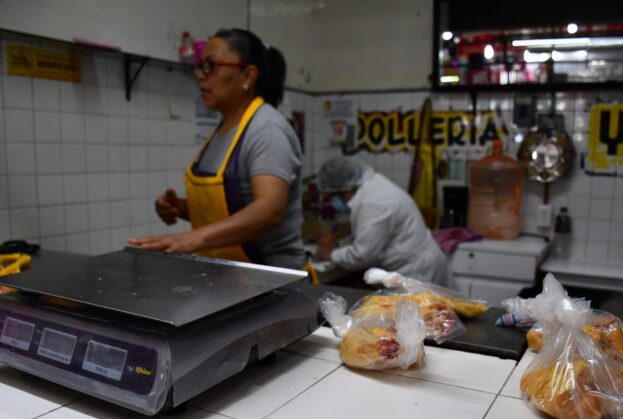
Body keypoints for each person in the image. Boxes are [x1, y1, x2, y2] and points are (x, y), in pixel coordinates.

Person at [128, 29, 305, 269]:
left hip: (274, 284)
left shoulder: (267, 130)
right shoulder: (221, 132)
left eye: (211, 66)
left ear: (247, 76)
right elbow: (230, 210)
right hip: (227, 280)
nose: (201, 76)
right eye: (200, 67)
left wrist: (192, 238)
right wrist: (180, 207)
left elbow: (269, 210)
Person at [315, 157, 452, 287]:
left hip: (417, 270)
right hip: (414, 264)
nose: (334, 202)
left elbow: (363, 255)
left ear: (348, 189)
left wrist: (330, 254)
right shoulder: (371, 186)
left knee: (425, 311)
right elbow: (369, 235)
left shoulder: (374, 203)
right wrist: (339, 245)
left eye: (334, 196)